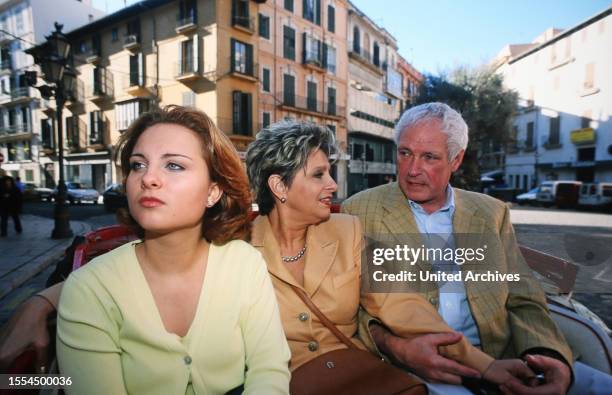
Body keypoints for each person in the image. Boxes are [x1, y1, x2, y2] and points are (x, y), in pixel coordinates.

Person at [1, 120, 532, 390]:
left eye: (174, 165)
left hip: (353, 379)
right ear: (279, 186)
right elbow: (136, 270)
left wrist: (488, 368)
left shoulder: (347, 231)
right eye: (320, 174)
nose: (333, 186)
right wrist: (41, 302)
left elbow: (404, 306)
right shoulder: (232, 243)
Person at [342, 102, 612, 394]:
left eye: (429, 157)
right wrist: (396, 347)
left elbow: (524, 298)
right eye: (405, 153)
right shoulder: (359, 210)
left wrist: (549, 355)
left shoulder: (491, 212)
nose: (412, 170)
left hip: (504, 357)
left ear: (456, 160)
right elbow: (346, 306)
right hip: (415, 370)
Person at [54, 106, 290, 394]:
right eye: (138, 165)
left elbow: (269, 372)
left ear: (212, 192)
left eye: (174, 165)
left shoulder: (244, 263)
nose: (148, 178)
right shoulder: (87, 289)